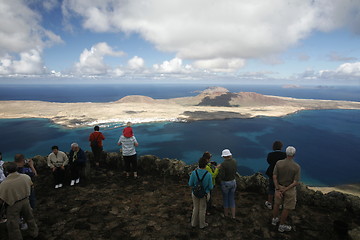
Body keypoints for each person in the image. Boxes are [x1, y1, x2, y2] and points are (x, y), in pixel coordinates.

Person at [0, 162, 38, 240]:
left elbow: (2, 199)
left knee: (13, 224)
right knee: (30, 218)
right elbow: (31, 186)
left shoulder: (4, 184)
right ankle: (34, 233)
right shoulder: (25, 177)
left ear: (6, 171)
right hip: (26, 201)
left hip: (13, 205)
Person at [271, 146, 301, 233]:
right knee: (286, 208)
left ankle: (274, 220)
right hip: (289, 189)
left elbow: (274, 176)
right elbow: (295, 182)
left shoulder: (279, 163)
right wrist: (285, 189)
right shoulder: (296, 167)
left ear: (286, 153)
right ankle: (281, 225)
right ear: (294, 155)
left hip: (279, 187)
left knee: (276, 204)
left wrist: (277, 188)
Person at [188, 157, 213, 229]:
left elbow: (190, 184)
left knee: (195, 208)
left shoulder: (194, 173)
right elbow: (211, 187)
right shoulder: (208, 175)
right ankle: (202, 224)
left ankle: (193, 223)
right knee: (202, 209)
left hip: (195, 193)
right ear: (206, 165)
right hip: (204, 194)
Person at [265, 141, 287, 210]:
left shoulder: (270, 154)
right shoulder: (284, 155)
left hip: (272, 173)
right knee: (280, 189)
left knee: (271, 188)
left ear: (273, 147)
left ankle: (269, 203)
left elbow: (269, 161)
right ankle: (279, 204)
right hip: (281, 174)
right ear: (281, 147)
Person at [218, 149, 237, 219]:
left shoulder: (223, 164)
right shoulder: (234, 161)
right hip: (233, 182)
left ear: (224, 156)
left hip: (226, 183)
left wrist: (219, 169)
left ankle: (226, 215)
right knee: (232, 198)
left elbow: (222, 176)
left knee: (226, 199)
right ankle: (233, 216)